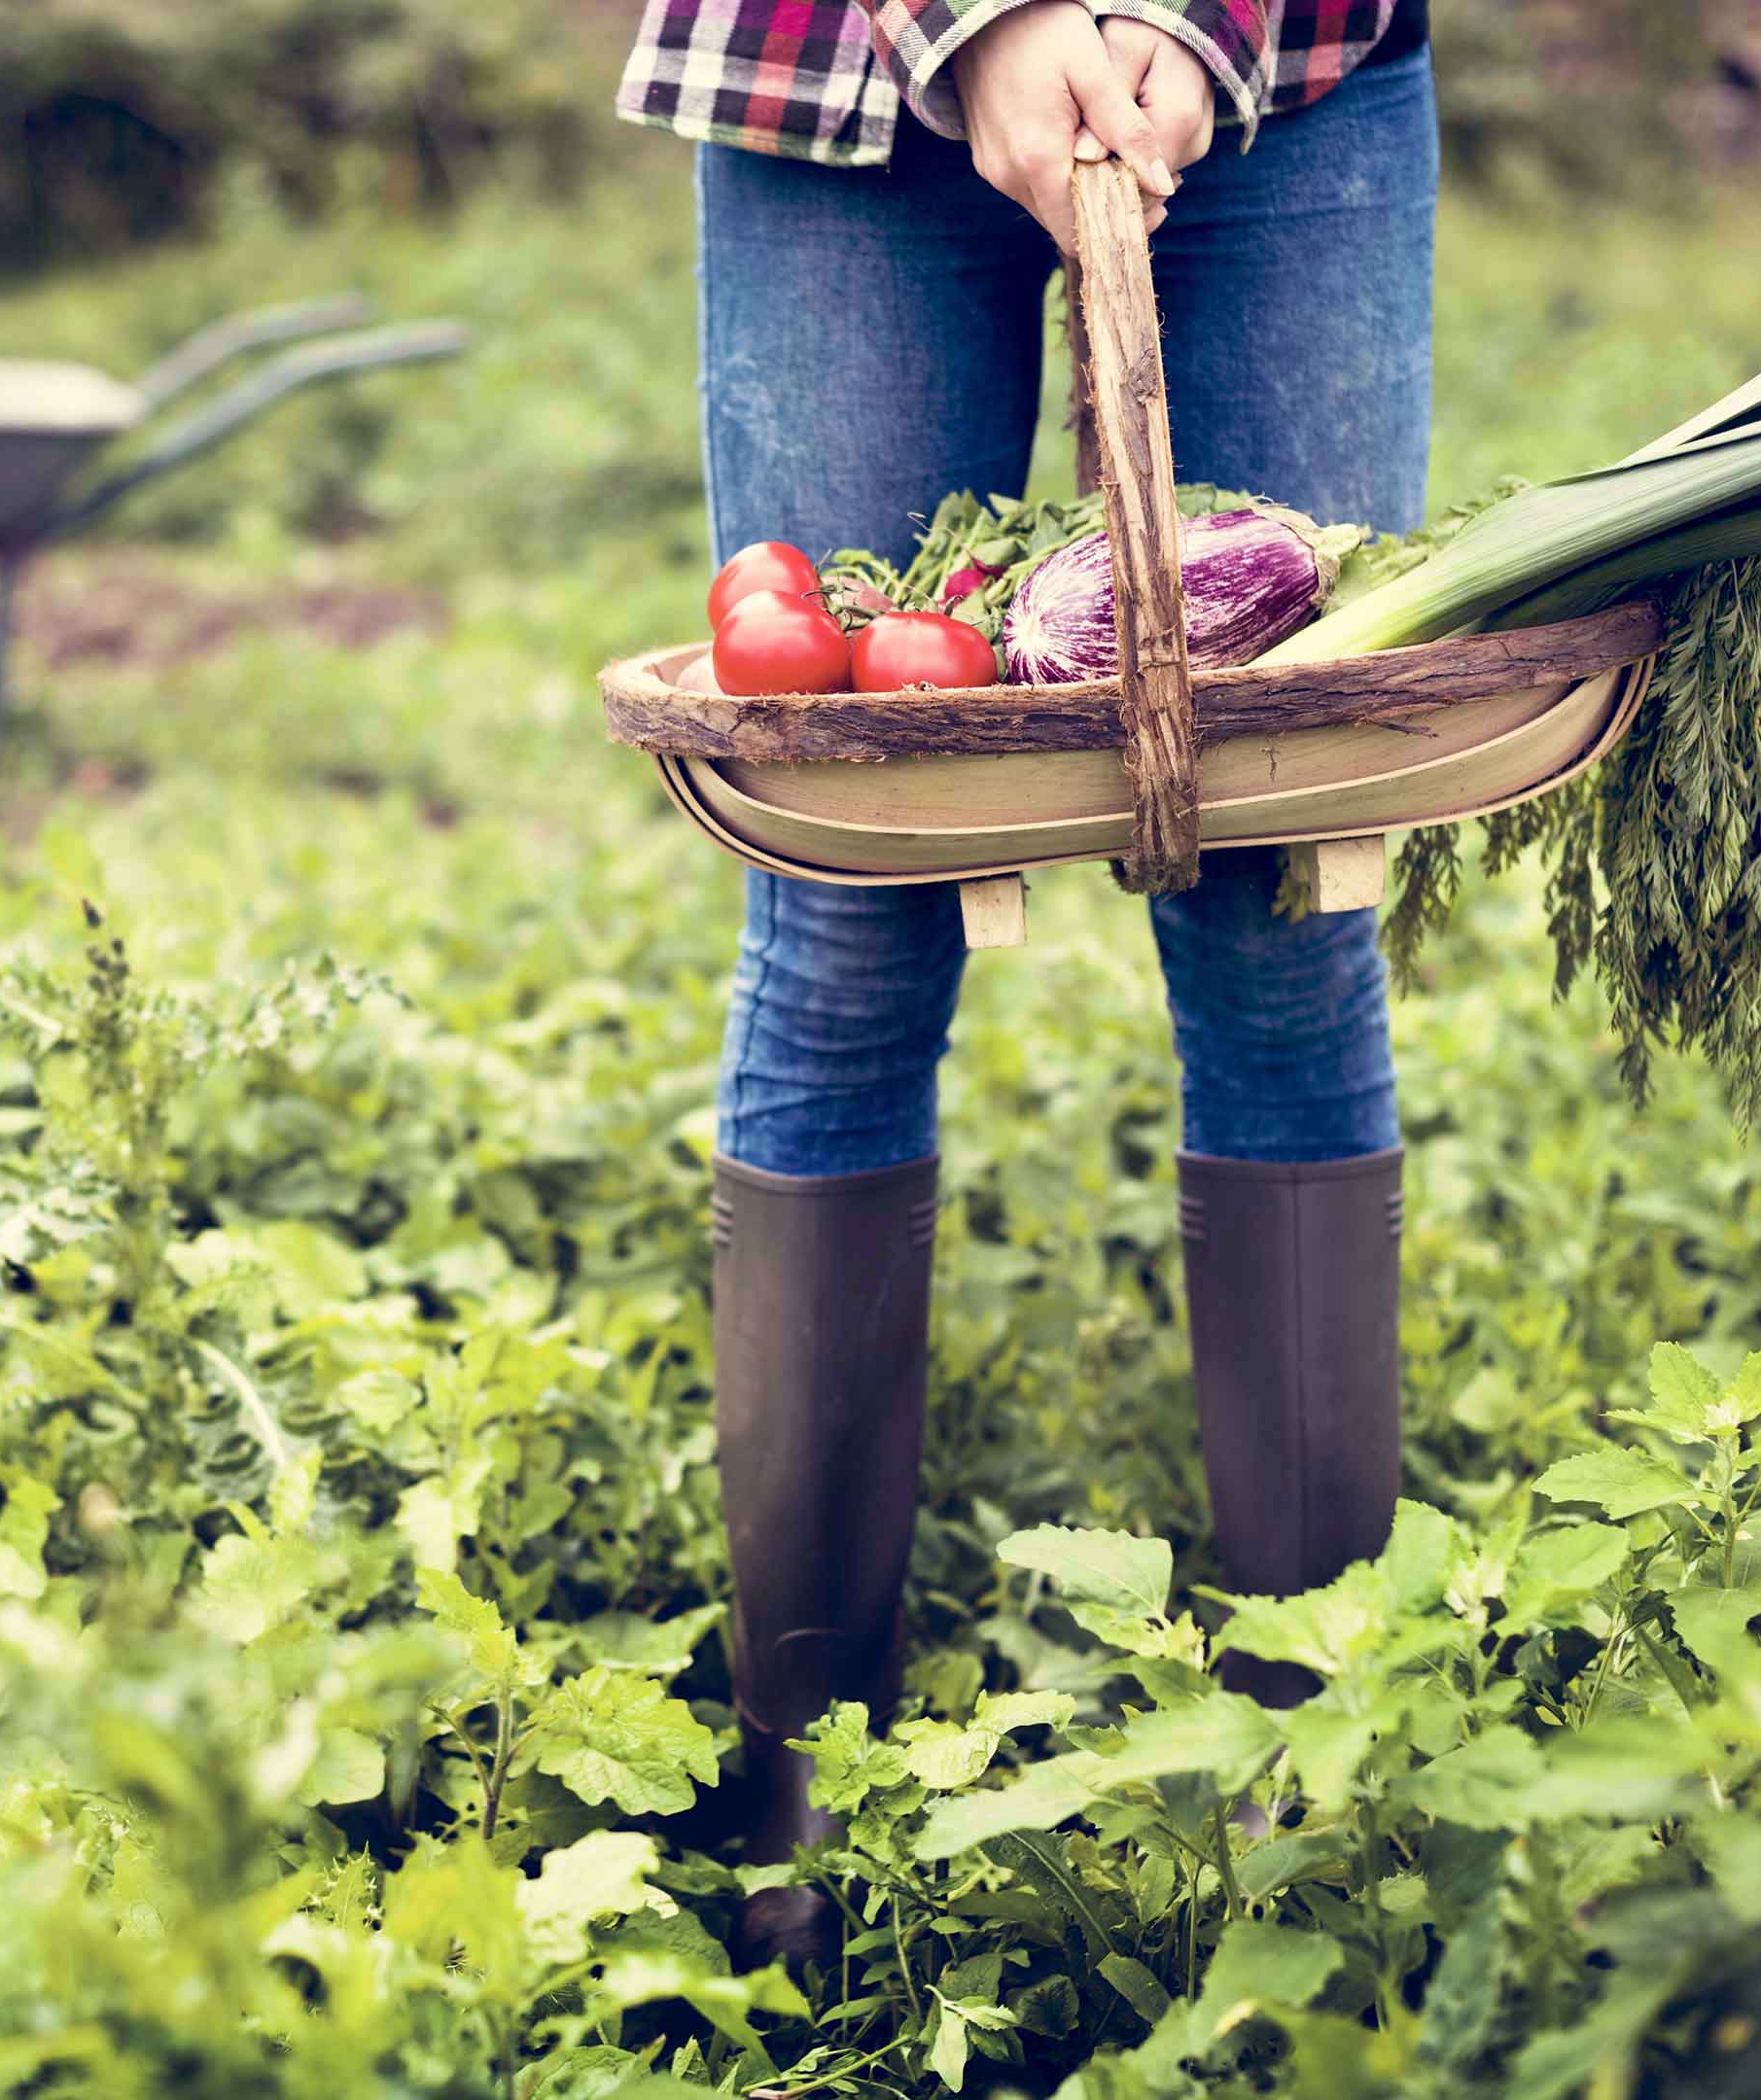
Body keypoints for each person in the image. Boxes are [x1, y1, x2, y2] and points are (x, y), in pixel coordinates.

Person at [616, 0, 1435, 1967]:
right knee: (849, 892)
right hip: (837, 73)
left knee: (1282, 895)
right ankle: (804, 1822)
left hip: (1287, 72)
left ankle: (1327, 1782)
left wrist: (1187, 23)